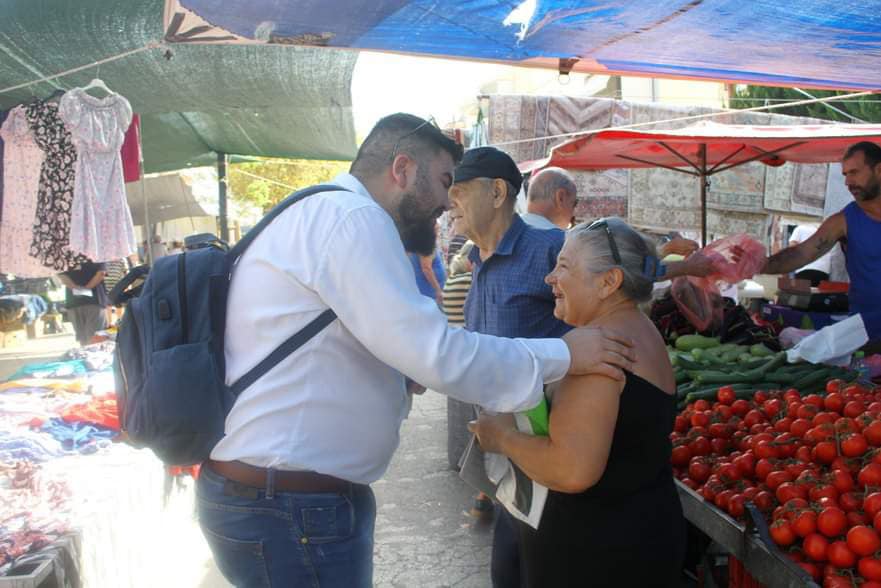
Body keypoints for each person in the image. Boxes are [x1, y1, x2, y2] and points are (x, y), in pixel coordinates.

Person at [196, 113, 637, 588]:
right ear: (402, 169)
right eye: (445, 182)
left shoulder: (328, 214)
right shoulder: (352, 218)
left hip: (288, 500)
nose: (447, 205)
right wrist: (567, 354)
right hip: (289, 506)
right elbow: (438, 354)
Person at [469, 217, 687, 587]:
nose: (550, 278)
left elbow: (571, 470)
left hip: (594, 555)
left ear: (609, 282)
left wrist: (500, 436)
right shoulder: (639, 330)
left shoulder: (597, 351)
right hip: (641, 536)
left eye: (564, 266)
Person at [448, 146, 571, 588]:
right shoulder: (478, 260)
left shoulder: (550, 250)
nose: (451, 202)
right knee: (507, 572)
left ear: (498, 192)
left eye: (459, 191)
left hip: (552, 452)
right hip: (507, 457)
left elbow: (596, 327)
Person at [761, 141, 881, 341]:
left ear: (879, 170)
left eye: (855, 172)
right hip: (866, 334)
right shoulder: (844, 221)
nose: (848, 182)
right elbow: (802, 253)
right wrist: (760, 264)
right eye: (845, 175)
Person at [58, 261, 109, 346]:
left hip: (74, 301)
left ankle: (86, 356)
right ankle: (94, 357)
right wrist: (86, 289)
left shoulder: (66, 253)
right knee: (97, 338)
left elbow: (61, 274)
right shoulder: (96, 252)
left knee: (83, 339)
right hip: (95, 301)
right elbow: (101, 273)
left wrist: (76, 288)